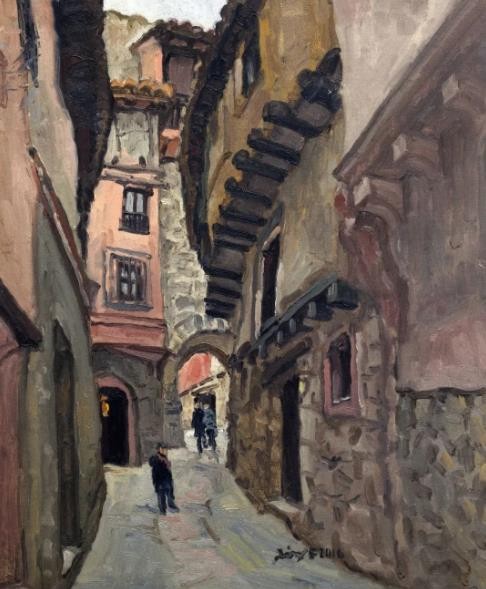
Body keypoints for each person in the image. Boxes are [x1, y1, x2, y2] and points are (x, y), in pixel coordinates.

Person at [148, 443, 180, 515]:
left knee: (169, 493)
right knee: (161, 495)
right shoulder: (157, 458)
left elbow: (168, 469)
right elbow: (153, 465)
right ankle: (162, 510)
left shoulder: (164, 458)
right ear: (159, 450)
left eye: (166, 449)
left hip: (167, 480)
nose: (165, 451)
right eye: (163, 449)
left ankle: (171, 505)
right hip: (160, 481)